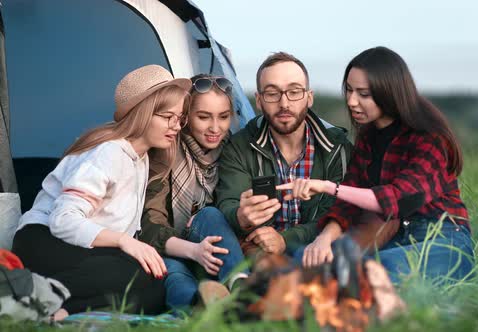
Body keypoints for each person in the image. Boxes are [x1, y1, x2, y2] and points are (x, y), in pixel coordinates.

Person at [279, 46, 474, 283]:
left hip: (442, 238)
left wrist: (328, 187)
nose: (351, 101)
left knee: (372, 271)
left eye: (363, 94)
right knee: (308, 257)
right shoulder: (369, 137)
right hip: (391, 237)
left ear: (389, 92)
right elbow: (347, 205)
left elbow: (397, 199)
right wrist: (323, 240)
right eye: (349, 90)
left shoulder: (430, 138)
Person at [11, 64, 192, 319]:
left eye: (180, 118)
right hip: (43, 241)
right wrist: (123, 241)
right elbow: (62, 220)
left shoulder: (141, 158)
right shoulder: (108, 152)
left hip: (83, 250)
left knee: (153, 291)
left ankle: (58, 312)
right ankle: (31, 295)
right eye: (166, 116)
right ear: (143, 113)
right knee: (136, 272)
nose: (176, 126)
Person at [213, 52, 353, 256]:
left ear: (309, 97)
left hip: (316, 251)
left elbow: (337, 214)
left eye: (294, 92)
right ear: (259, 101)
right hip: (258, 251)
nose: (284, 104)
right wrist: (240, 216)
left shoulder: (337, 148)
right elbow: (228, 202)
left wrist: (285, 240)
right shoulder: (239, 146)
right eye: (272, 94)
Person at [139, 74, 246, 311]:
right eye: (203, 117)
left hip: (215, 250)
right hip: (170, 247)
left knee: (209, 215)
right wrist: (192, 250)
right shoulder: (165, 150)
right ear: (185, 117)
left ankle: (242, 291)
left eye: (224, 117)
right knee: (172, 272)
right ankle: (199, 307)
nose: (215, 128)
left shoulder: (235, 151)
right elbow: (149, 223)